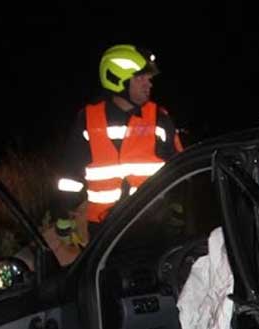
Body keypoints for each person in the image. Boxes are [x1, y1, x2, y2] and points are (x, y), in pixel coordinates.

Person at [53, 43, 184, 248]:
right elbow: (70, 175)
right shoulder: (88, 119)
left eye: (149, 78)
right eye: (140, 78)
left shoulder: (159, 117)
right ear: (117, 79)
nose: (148, 84)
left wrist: (177, 210)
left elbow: (178, 167)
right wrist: (63, 216)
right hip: (105, 229)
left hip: (154, 225)